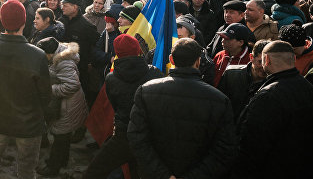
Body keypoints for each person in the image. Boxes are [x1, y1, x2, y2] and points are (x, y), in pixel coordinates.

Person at [128, 38, 236, 179]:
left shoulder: (145, 91)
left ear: (171, 59)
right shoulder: (220, 100)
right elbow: (224, 149)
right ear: (198, 61)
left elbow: (136, 138)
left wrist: (162, 174)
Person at [0, 0, 51, 179]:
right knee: (26, 170)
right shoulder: (37, 55)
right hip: (28, 125)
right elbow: (45, 96)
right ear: (24, 22)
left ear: (2, 21)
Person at [84, 34, 163, 179]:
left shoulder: (111, 78)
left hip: (123, 134)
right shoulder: (155, 74)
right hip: (147, 134)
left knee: (94, 171)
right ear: (138, 50)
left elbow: (115, 104)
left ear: (117, 53)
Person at [232, 40, 313, 179]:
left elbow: (252, 144)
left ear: (267, 60)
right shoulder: (308, 88)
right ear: (293, 59)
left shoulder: (268, 96)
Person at [36, 39, 88, 177]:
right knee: (63, 137)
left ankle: (53, 167)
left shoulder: (64, 62)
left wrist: (50, 89)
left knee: (60, 137)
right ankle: (62, 161)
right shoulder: (58, 56)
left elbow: (72, 85)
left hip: (67, 107)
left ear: (50, 53)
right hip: (65, 104)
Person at [217, 39, 268, 120]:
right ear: (251, 57)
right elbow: (219, 104)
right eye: (260, 62)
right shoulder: (231, 74)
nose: (264, 67)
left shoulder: (273, 83)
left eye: (268, 63)